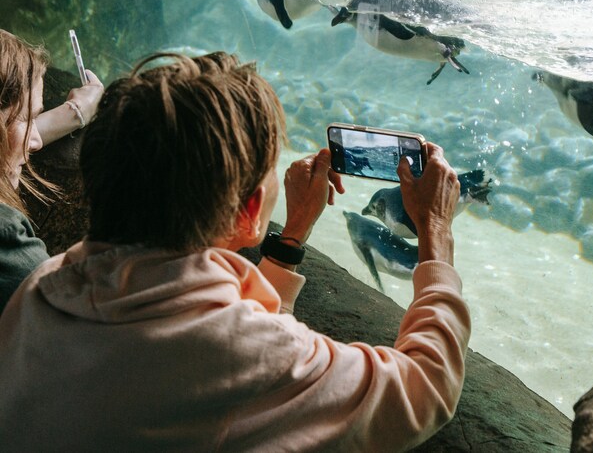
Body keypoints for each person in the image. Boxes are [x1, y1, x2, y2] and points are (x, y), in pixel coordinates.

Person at [0, 51, 470, 451]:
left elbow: (230, 336)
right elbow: (425, 388)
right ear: (248, 211)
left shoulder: (42, 289)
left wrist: (293, 235)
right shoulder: (240, 351)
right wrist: (434, 234)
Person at [0, 29, 104, 313]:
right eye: (27, 117)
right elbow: (59, 312)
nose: (34, 142)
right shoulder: (5, 234)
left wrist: (75, 112)